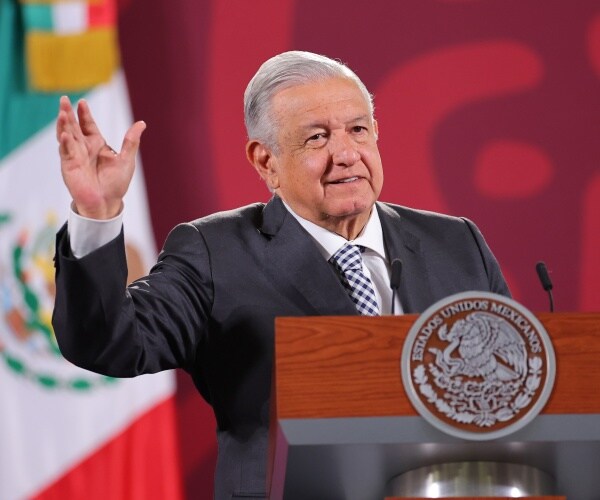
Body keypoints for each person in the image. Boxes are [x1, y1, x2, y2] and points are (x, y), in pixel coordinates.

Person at [53, 51, 510, 499]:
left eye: (357, 130)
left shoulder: (455, 242)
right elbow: (111, 343)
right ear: (266, 162)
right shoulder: (215, 252)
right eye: (317, 138)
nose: (346, 154)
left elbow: (520, 388)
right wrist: (97, 215)